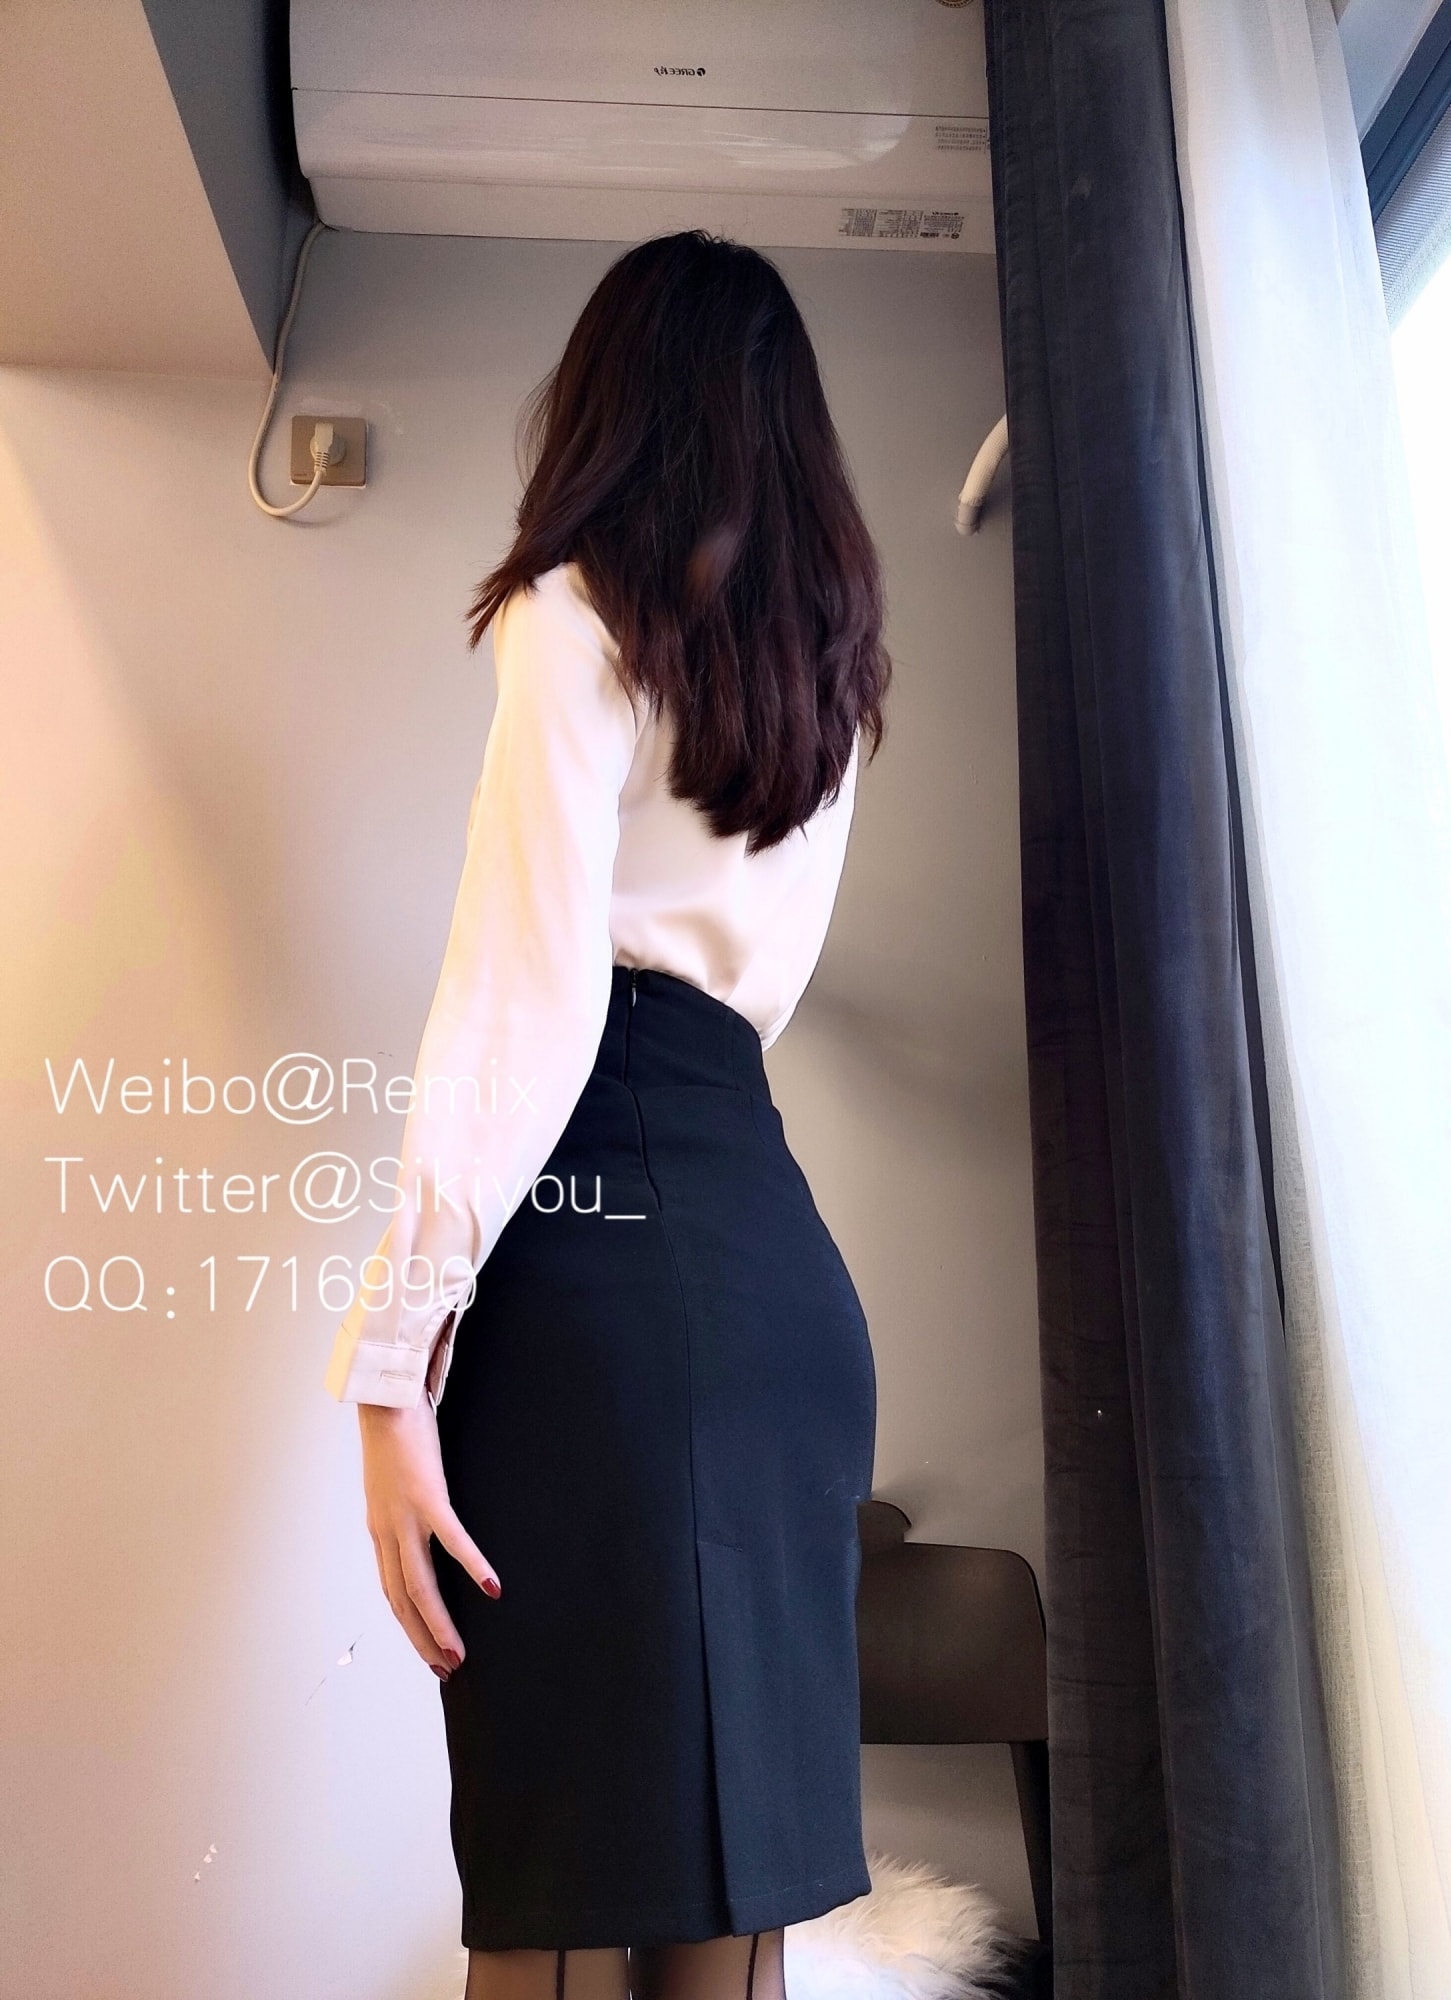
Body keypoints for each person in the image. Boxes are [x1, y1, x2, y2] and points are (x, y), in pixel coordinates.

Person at [324, 229, 891, 2000]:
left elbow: (528, 1004)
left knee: (558, 1895)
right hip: (776, 1281)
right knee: (731, 1908)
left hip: (604, 1288)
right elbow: (737, 1000)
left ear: (610, 406)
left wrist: (390, 1370)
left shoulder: (575, 612)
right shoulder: (830, 688)